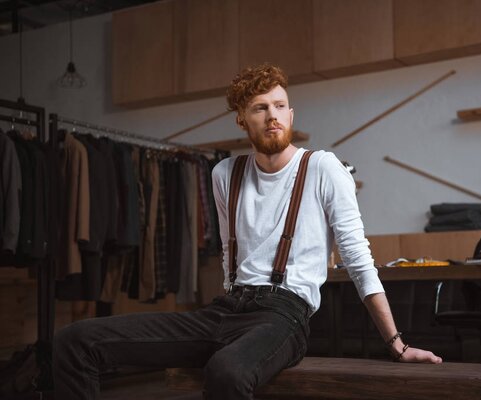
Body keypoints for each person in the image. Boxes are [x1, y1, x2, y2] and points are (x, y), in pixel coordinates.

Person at [52, 63, 441, 400]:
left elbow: (358, 260)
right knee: (76, 340)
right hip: (228, 308)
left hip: (284, 316)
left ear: (291, 114)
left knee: (226, 371)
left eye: (280, 106)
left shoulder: (323, 168)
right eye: (260, 108)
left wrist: (396, 344)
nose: (272, 115)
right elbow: (228, 251)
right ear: (242, 119)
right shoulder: (225, 174)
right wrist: (230, 294)